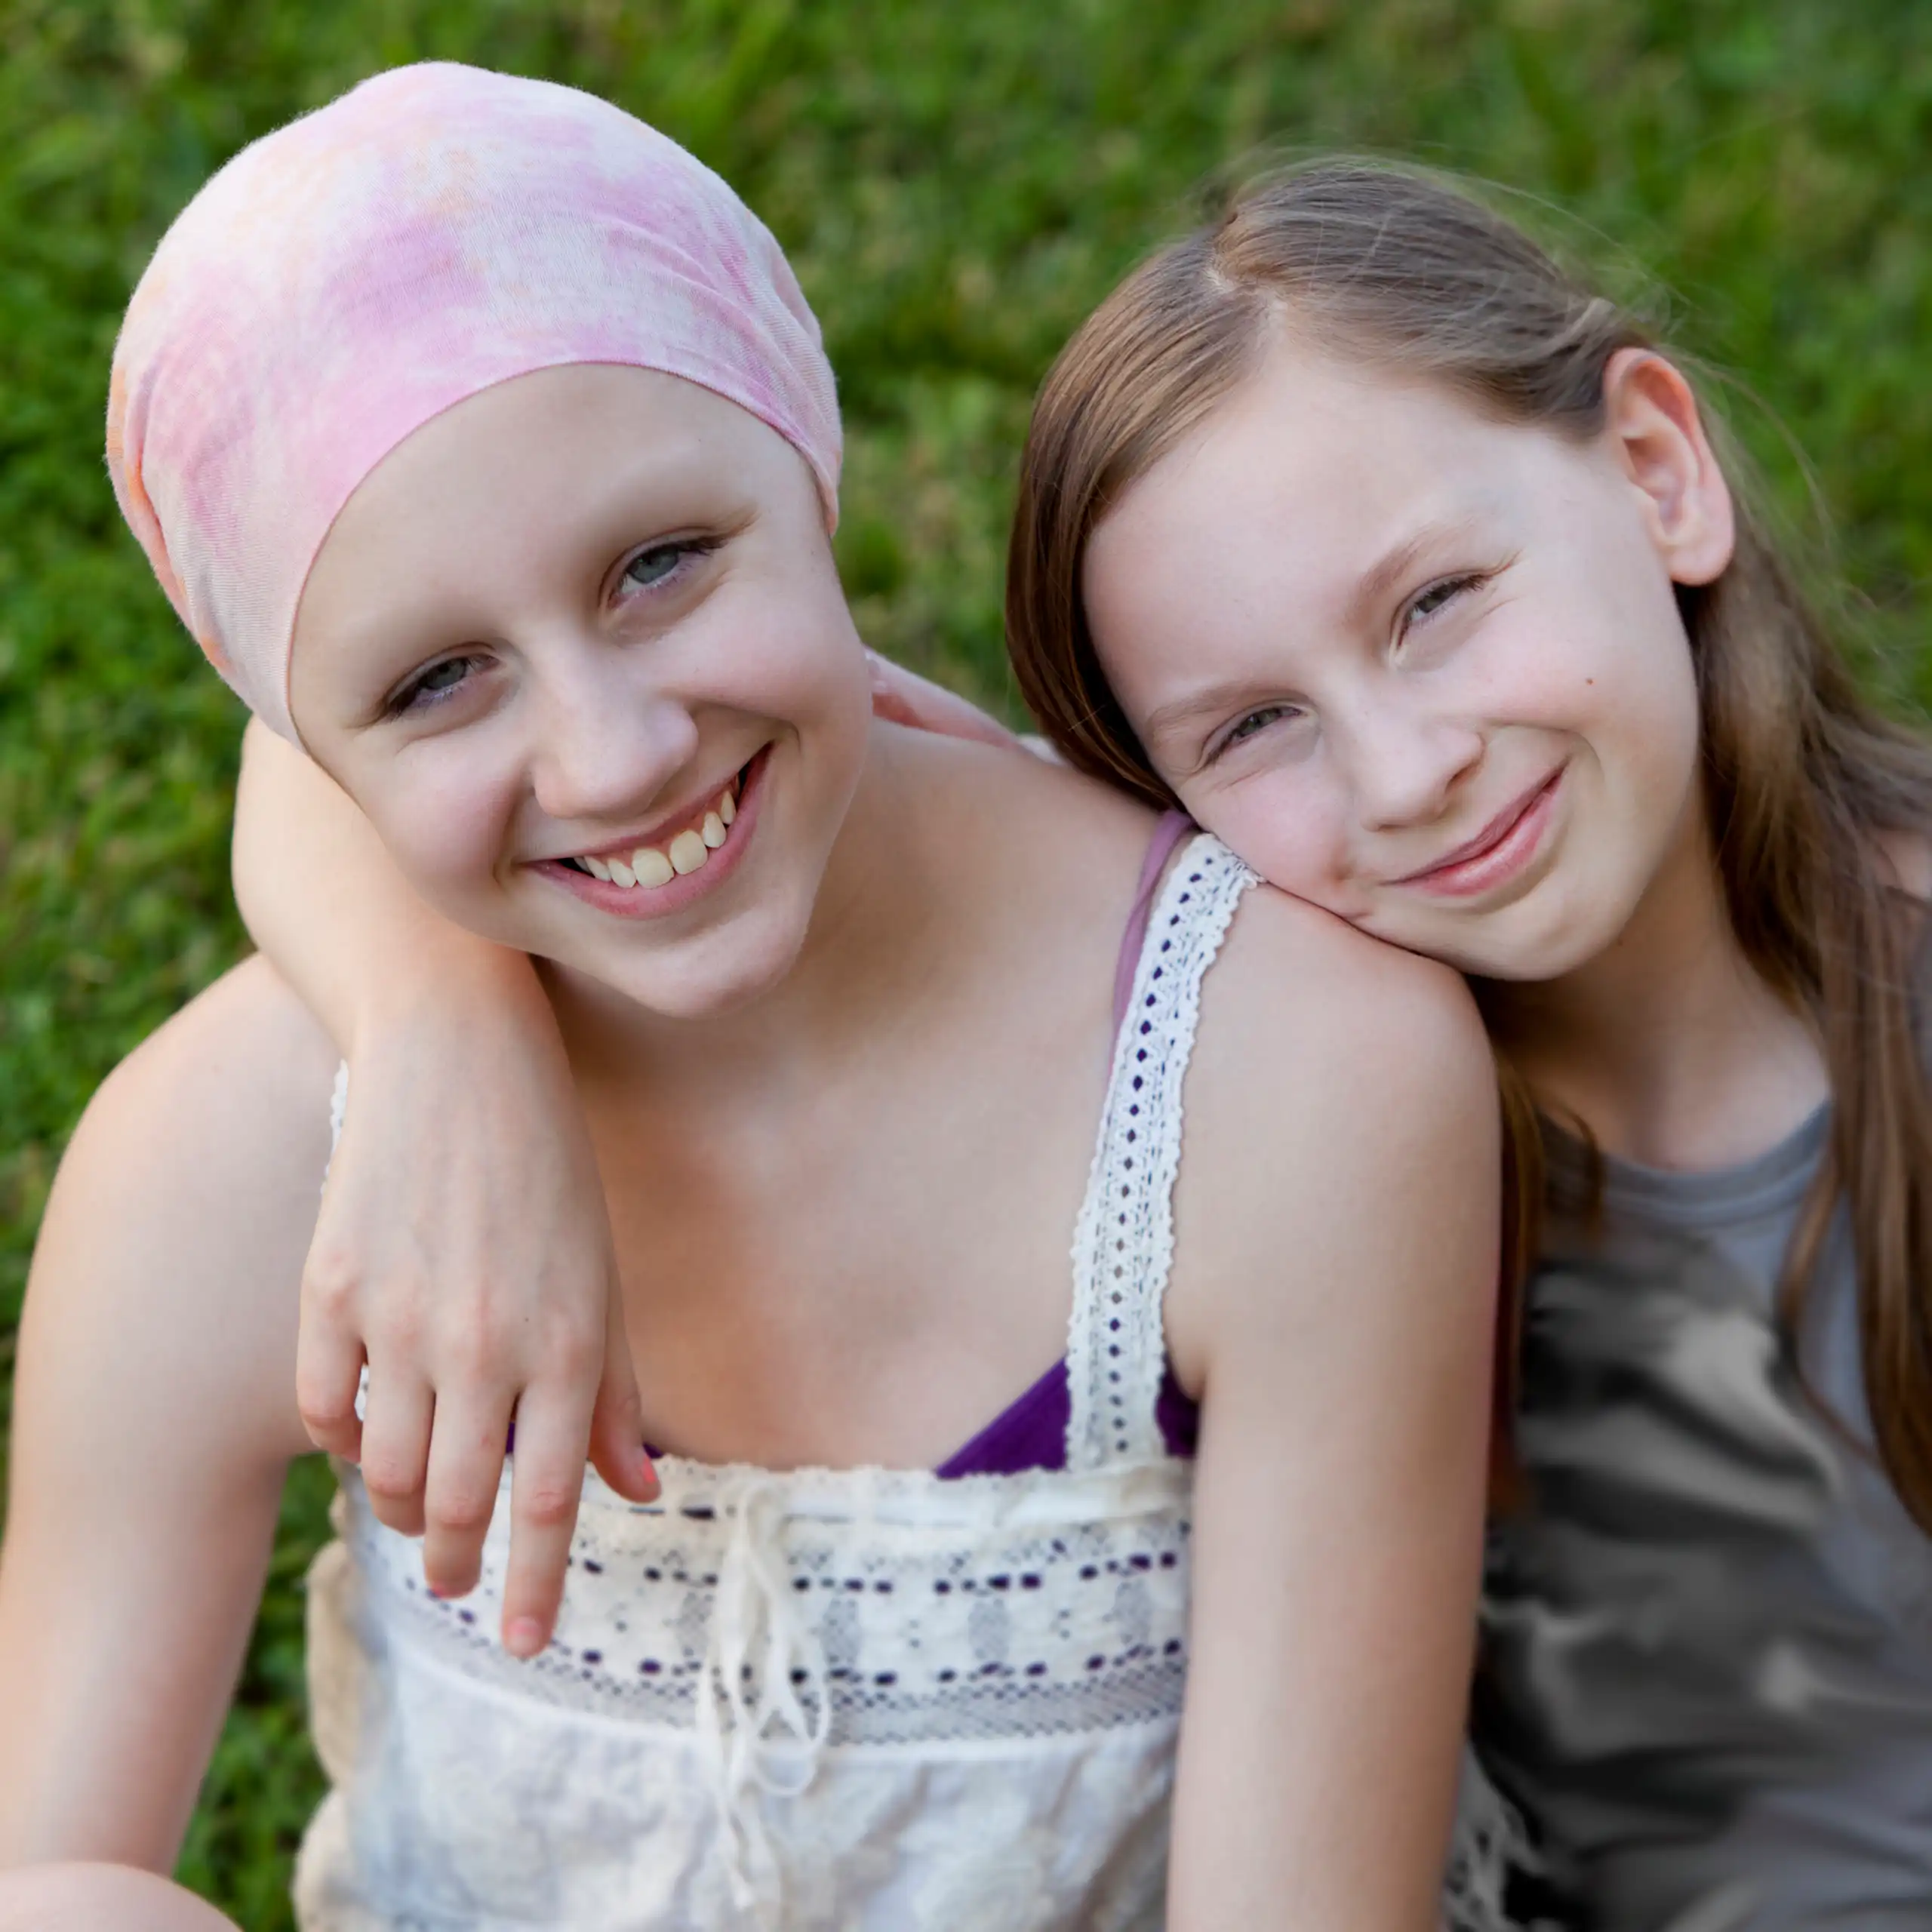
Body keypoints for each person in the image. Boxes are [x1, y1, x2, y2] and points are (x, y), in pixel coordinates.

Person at [250, 156, 1932, 1930]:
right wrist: (439, 1030)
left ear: (1657, 473)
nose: (1398, 765)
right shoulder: (1255, 1072)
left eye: (1432, 602)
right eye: (1251, 723)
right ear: (1149, 808)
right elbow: (310, 726)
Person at [0, 72, 1503, 1932]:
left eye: (659, 564)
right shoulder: (227, 1154)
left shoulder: (1283, 1066)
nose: (616, 751)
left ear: (810, 460)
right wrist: (437, 1033)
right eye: (438, 677)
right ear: (305, 744)